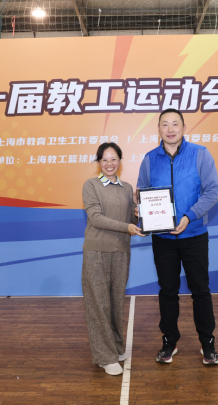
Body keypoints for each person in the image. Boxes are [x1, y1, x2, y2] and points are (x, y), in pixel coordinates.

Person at [137, 108, 218, 365]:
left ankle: (207, 343)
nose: (170, 129)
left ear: (184, 128)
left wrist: (188, 216)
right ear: (159, 129)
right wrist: (141, 209)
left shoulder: (200, 154)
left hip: (194, 235)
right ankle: (169, 341)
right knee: (167, 291)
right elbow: (142, 192)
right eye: (165, 124)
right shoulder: (150, 159)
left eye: (175, 124)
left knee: (200, 290)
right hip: (163, 239)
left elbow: (212, 191)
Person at [82, 142, 144, 376]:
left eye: (113, 159)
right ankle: (104, 357)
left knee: (116, 303)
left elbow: (132, 222)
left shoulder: (127, 188)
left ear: (120, 161)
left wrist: (138, 212)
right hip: (96, 252)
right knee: (99, 305)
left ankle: (116, 348)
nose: (109, 164)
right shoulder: (91, 185)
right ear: (99, 162)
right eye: (104, 160)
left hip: (121, 253)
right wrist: (127, 226)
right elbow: (96, 218)